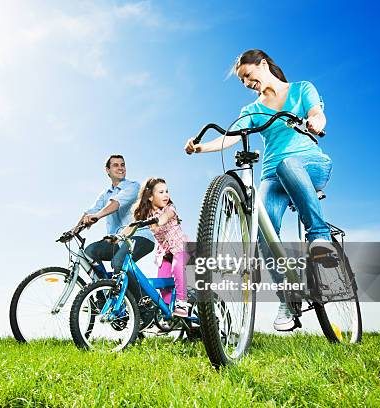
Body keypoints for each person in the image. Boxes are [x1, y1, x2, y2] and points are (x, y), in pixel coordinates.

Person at [184, 49, 334, 331]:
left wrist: (316, 122)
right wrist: (200, 147)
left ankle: (321, 241)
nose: (247, 84)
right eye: (242, 81)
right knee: (263, 232)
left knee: (289, 164)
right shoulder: (251, 111)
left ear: (263, 65)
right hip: (274, 176)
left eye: (248, 76)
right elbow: (230, 137)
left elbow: (317, 112)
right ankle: (288, 299)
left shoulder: (301, 89)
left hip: (309, 164)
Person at [75, 155, 155, 295]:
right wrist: (73, 231)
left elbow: (116, 204)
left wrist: (97, 216)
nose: (120, 168)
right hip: (117, 241)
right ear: (107, 170)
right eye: (116, 165)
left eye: (122, 165)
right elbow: (90, 212)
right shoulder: (105, 194)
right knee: (89, 252)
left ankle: (142, 301)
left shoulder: (134, 186)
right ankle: (105, 294)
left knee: (118, 262)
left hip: (139, 236)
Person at [130, 178, 190, 317]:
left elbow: (165, 218)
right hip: (164, 252)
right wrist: (119, 237)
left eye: (166, 191)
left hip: (180, 247)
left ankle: (182, 302)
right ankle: (167, 311)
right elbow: (131, 228)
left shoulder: (170, 208)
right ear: (150, 196)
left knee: (177, 267)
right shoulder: (147, 214)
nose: (166, 195)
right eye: (161, 192)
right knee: (162, 281)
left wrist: (157, 220)